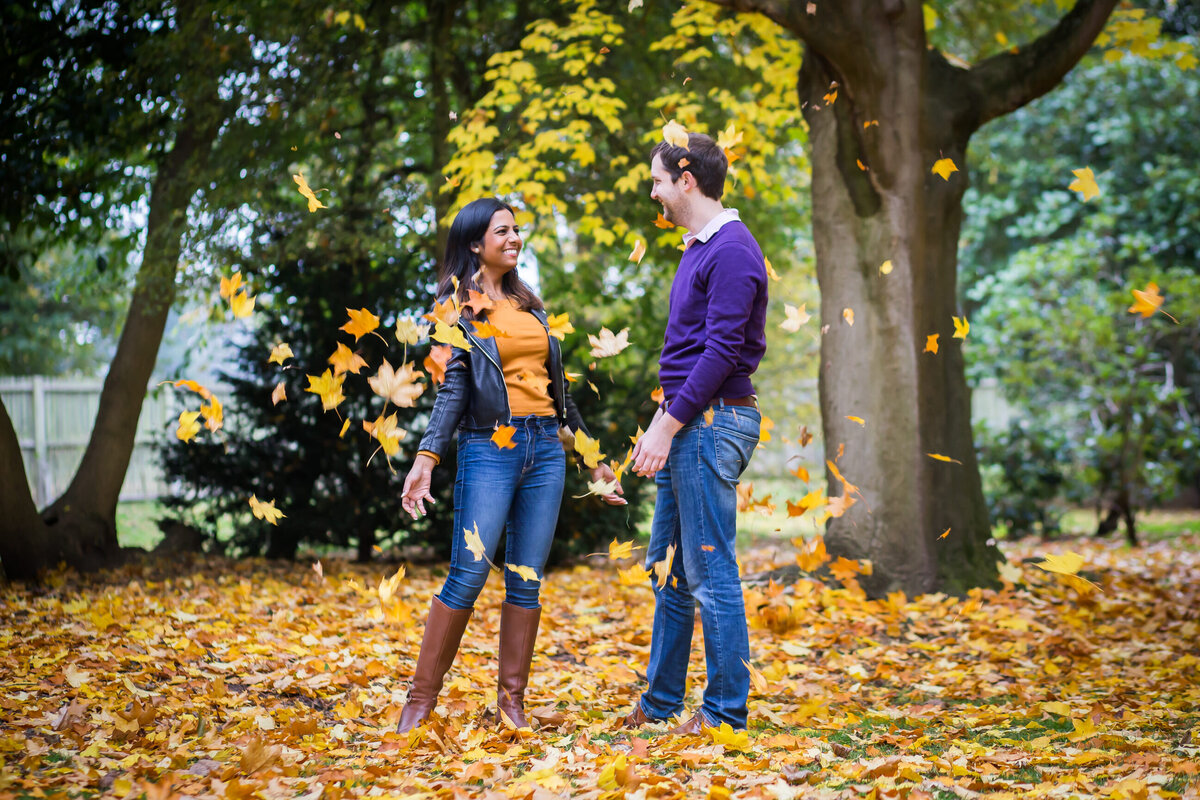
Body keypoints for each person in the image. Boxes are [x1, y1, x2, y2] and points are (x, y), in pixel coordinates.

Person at [397, 197, 625, 733]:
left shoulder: (531, 307)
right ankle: (420, 702)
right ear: (476, 243)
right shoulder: (458, 309)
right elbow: (453, 389)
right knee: (469, 573)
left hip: (546, 448)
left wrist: (594, 461)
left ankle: (511, 704)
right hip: (488, 449)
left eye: (517, 230)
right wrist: (426, 457)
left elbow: (561, 396)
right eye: (502, 231)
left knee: (526, 578)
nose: (514, 238)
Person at [622, 132, 768, 734]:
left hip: (713, 422)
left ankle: (725, 714)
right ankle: (660, 705)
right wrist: (660, 425)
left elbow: (721, 352)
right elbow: (688, 358)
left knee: (711, 571)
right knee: (669, 569)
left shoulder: (731, 248)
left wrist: (669, 424)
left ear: (687, 179)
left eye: (658, 180)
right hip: (689, 421)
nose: (653, 192)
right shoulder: (699, 248)